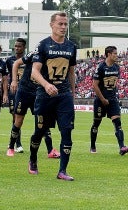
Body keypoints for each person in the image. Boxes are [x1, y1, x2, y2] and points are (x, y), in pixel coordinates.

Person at [28, 12, 77, 181]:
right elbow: (34, 71)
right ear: (52, 25)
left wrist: (72, 92)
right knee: (40, 131)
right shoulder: (43, 45)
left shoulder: (71, 47)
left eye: (65, 24)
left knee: (67, 131)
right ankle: (33, 158)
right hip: (45, 95)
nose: (63, 27)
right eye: (60, 24)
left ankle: (62, 171)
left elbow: (71, 72)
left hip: (64, 96)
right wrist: (46, 84)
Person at [6, 43, 60, 159]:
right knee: (18, 120)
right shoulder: (35, 54)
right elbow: (16, 63)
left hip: (39, 93)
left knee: (43, 121)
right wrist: (14, 81)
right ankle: (11, 147)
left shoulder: (56, 60)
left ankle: (50, 150)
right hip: (24, 92)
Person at [90, 45, 128, 155]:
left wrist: (111, 96)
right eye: (114, 53)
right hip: (100, 100)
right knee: (96, 123)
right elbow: (95, 85)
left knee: (117, 123)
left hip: (112, 100)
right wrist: (103, 99)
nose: (116, 55)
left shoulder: (116, 67)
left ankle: (122, 147)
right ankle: (93, 146)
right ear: (109, 54)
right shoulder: (100, 67)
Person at [5, 39, 26, 153]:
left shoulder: (28, 59)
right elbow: (5, 76)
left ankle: (15, 143)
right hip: (13, 92)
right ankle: (17, 143)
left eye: (19, 46)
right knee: (15, 117)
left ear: (24, 47)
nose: (17, 48)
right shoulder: (9, 60)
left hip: (25, 91)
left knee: (20, 117)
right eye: (15, 46)